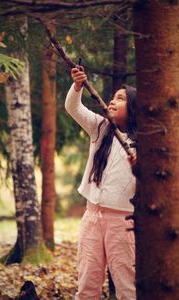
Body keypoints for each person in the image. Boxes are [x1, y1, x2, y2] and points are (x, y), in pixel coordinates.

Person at [65, 66, 137, 300]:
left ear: (135, 108)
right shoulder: (101, 128)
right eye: (112, 97)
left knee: (127, 285)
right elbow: (73, 107)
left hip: (123, 223)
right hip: (92, 217)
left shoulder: (145, 144)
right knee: (87, 283)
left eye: (121, 98)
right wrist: (77, 86)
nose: (112, 101)